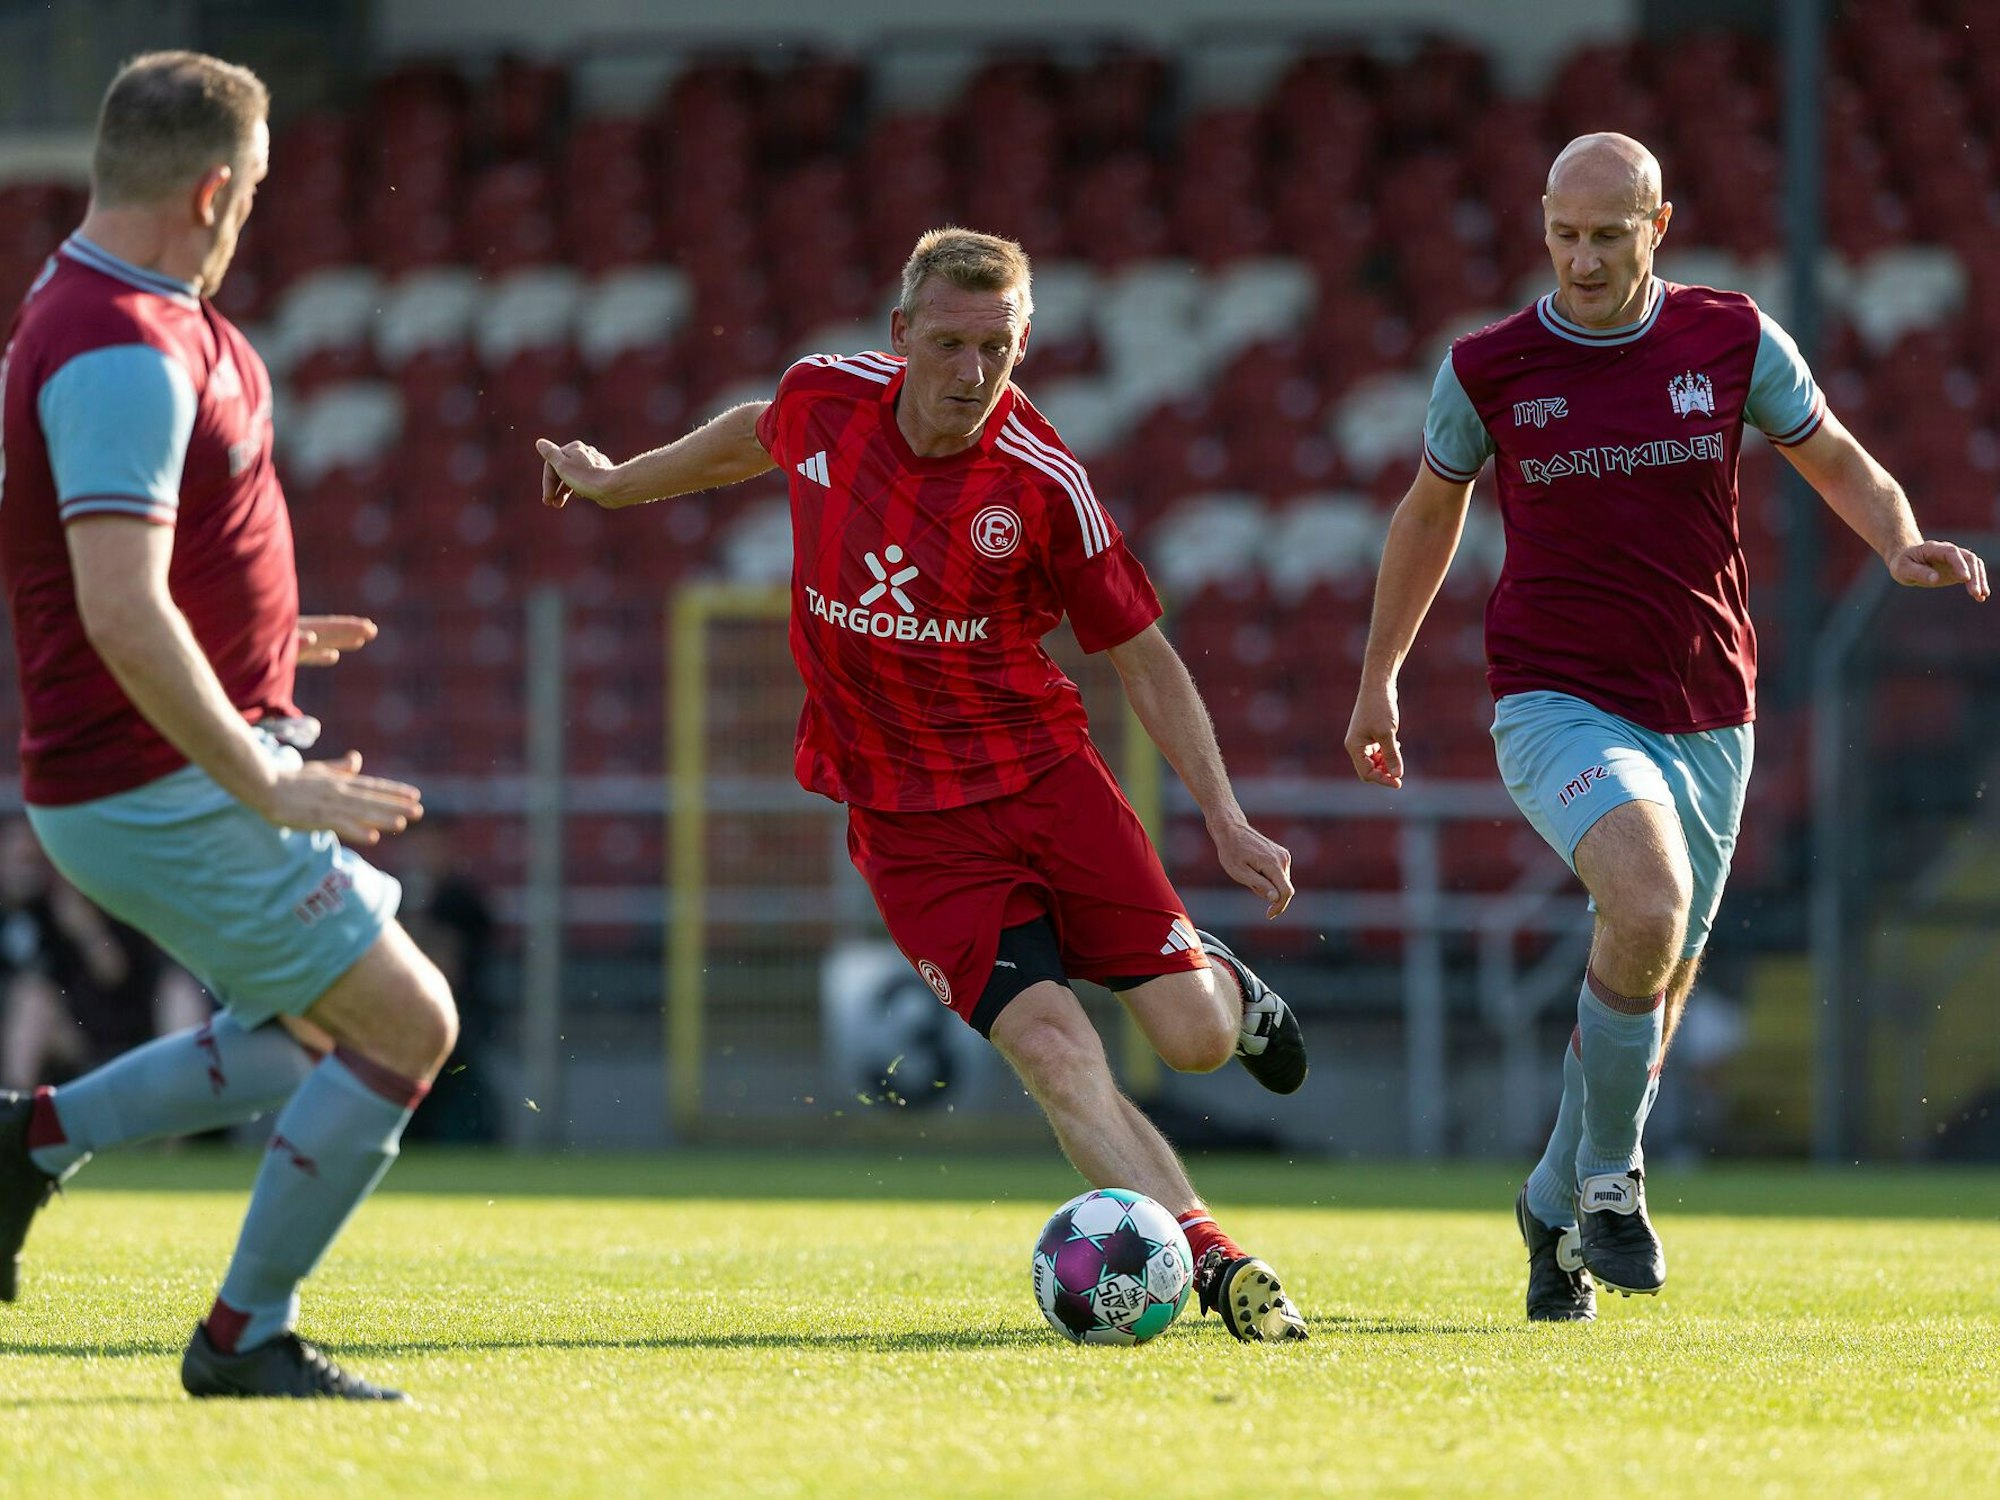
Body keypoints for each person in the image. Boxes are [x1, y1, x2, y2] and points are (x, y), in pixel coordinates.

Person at [538, 226, 1312, 1342]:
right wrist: (617, 485)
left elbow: (1142, 652)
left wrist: (1225, 816)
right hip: (909, 826)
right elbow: (747, 440)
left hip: (1045, 786)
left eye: (996, 348)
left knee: (1189, 1038)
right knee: (1052, 1049)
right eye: (948, 345)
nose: (970, 373)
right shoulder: (824, 398)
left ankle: (1221, 988)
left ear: (1023, 341)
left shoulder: (1044, 483)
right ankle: (1209, 1255)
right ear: (900, 336)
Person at [1342, 133, 1990, 1322]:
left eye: (1606, 233)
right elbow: (1424, 517)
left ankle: (1546, 1207)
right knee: (1641, 905)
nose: (1581, 260)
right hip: (1551, 697)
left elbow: (1832, 454)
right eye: (1562, 234)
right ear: (1541, 226)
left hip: (1708, 705)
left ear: (1658, 224)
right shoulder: (1486, 367)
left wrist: (1895, 539)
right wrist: (1378, 674)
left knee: (1658, 970)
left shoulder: (1731, 337)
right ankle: (1605, 1180)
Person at [0, 52, 457, 1400]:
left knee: (312, 1036)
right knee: (406, 1027)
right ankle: (242, 1339)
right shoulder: (115, 346)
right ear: (213, 189)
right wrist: (270, 785)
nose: (250, 213)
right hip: (151, 780)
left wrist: (262, 639)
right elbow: (122, 610)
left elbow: (114, 566)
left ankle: (32, 1140)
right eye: (251, 190)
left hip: (148, 764)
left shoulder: (116, 310)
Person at [1, 817, 212, 1093]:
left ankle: (182, 1113)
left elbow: (114, 974)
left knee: (180, 988)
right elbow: (41, 980)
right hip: (73, 1033)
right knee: (32, 998)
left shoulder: (124, 903)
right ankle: (14, 1108)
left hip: (135, 1022)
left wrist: (86, 929)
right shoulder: (43, 909)